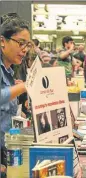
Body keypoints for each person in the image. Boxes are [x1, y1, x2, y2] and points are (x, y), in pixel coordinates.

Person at [0, 13, 31, 176]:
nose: (24, 50)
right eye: (20, 43)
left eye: (27, 45)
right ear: (2, 41)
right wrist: (22, 88)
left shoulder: (9, 72)